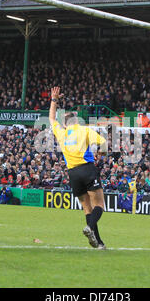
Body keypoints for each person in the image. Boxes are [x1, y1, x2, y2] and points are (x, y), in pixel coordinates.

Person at [49, 86, 107, 250]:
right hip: (87, 170)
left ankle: (98, 243)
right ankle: (90, 229)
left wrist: (54, 99)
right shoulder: (84, 130)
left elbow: (52, 119)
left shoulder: (62, 133)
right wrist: (101, 154)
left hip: (73, 174)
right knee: (99, 205)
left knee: (86, 208)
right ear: (76, 121)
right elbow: (104, 143)